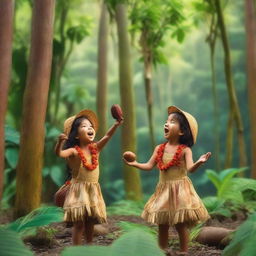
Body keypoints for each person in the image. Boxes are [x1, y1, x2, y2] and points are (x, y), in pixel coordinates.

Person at [123, 106, 211, 254]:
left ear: (182, 131)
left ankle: (184, 251)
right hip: (163, 190)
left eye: (172, 122)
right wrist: (135, 164)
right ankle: (162, 250)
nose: (166, 124)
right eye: (166, 121)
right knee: (162, 224)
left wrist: (199, 162)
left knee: (180, 224)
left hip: (180, 191)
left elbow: (190, 169)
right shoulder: (159, 149)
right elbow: (149, 165)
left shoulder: (185, 150)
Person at [55, 109, 122, 245]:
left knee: (90, 222)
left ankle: (89, 248)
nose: (89, 127)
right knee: (79, 225)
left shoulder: (95, 148)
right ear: (76, 135)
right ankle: (76, 250)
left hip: (92, 190)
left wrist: (116, 124)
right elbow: (60, 154)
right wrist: (60, 142)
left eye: (90, 126)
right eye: (84, 126)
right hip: (78, 191)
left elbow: (107, 137)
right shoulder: (74, 151)